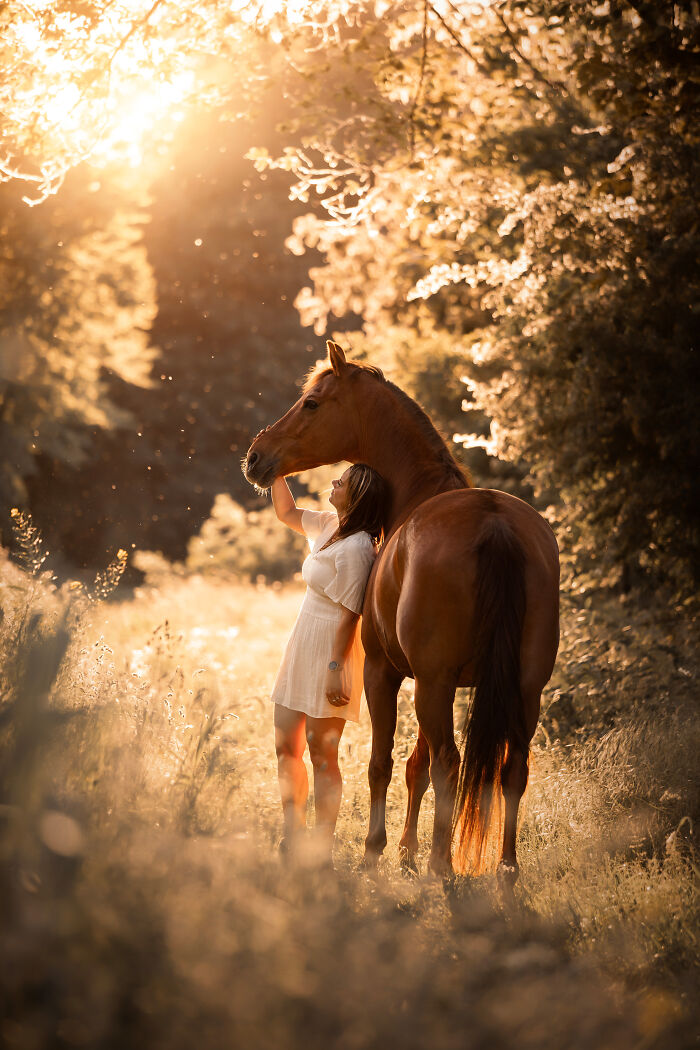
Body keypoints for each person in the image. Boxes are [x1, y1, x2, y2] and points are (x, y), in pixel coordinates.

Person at [269, 463, 388, 859]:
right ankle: (293, 835)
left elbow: (350, 614)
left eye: (343, 482)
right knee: (286, 745)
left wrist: (336, 669)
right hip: (303, 640)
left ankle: (322, 846)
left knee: (322, 754)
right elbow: (286, 513)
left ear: (358, 497)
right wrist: (275, 471)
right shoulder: (326, 524)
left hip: (331, 651)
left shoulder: (357, 548)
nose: (333, 483)